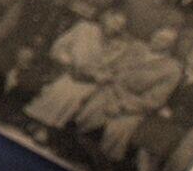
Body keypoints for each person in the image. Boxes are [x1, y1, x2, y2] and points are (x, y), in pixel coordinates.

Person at [74, 27, 183, 162]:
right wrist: (111, 97)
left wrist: (122, 106)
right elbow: (113, 70)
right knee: (89, 113)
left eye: (166, 40)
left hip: (135, 107)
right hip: (110, 91)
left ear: (172, 46)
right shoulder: (135, 48)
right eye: (158, 36)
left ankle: (99, 161)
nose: (159, 40)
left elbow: (154, 100)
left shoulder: (172, 70)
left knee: (118, 131)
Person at [23, 10, 130, 140]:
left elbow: (115, 71)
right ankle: (39, 123)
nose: (115, 27)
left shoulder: (120, 47)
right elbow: (58, 48)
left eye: (120, 26)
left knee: (77, 93)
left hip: (92, 82)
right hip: (68, 70)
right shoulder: (84, 29)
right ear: (106, 17)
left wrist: (98, 76)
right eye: (114, 21)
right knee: (65, 85)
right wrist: (68, 63)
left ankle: (45, 127)